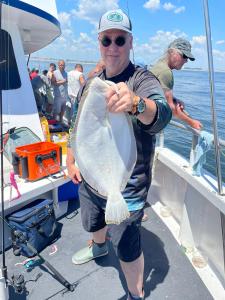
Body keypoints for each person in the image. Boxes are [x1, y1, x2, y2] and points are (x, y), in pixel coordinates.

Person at [66, 9, 172, 300]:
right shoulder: (92, 82)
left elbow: (162, 114)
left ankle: (136, 294)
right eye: (107, 40)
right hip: (90, 176)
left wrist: (136, 104)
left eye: (120, 40)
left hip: (128, 189)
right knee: (93, 222)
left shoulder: (142, 80)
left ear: (130, 42)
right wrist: (71, 158)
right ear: (99, 42)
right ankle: (98, 245)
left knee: (127, 248)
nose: (113, 47)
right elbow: (77, 123)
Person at [150, 38, 202, 130]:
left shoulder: (158, 65)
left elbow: (157, 93)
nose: (186, 61)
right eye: (184, 56)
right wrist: (192, 122)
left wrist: (174, 99)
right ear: (172, 52)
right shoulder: (166, 72)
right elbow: (171, 108)